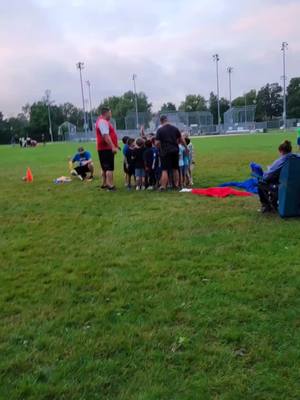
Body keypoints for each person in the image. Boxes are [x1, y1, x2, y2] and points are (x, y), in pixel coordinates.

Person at [258, 140, 296, 213]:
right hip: (295, 184)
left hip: (283, 185)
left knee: (261, 183)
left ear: (281, 151)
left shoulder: (281, 161)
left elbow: (267, 177)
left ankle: (267, 206)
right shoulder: (296, 158)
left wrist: (268, 171)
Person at [156, 115, 187, 190]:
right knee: (175, 168)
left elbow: (157, 143)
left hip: (165, 151)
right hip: (175, 150)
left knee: (165, 169)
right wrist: (186, 147)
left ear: (161, 121)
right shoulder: (175, 128)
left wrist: (160, 148)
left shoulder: (160, 130)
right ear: (167, 120)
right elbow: (181, 139)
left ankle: (163, 186)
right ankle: (176, 185)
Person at [95, 107, 119, 191]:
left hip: (104, 148)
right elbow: (106, 136)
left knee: (104, 167)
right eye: (110, 113)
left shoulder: (102, 121)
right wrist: (112, 146)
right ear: (106, 113)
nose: (111, 115)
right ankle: (110, 185)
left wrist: (116, 145)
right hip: (106, 148)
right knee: (109, 168)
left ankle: (104, 183)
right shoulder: (103, 121)